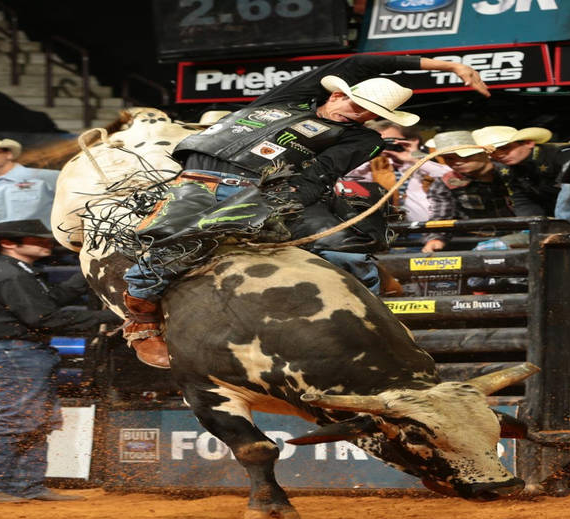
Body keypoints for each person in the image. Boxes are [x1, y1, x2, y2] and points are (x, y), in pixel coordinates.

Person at [120, 54, 490, 368]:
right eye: (357, 106)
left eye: (370, 114)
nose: (359, 116)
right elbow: (360, 62)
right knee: (165, 251)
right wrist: (445, 65)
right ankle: (142, 323)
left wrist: (280, 200)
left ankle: (372, 327)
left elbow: (320, 175)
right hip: (199, 180)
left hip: (268, 192)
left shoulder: (363, 138)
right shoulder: (292, 98)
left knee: (346, 249)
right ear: (335, 93)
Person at [0, 220, 121, 503]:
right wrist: (111, 316)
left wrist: (86, 273)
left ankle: (24, 484)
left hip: (9, 350)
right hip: (12, 350)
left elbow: (48, 303)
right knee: (21, 418)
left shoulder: (10, 271)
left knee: (36, 419)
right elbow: (44, 318)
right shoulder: (10, 274)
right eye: (36, 239)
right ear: (8, 243)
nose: (46, 243)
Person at [420, 130, 512, 253]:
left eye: (465, 156)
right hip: (473, 241)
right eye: (449, 158)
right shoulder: (445, 183)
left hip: (521, 234)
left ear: (485, 153)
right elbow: (441, 215)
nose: (457, 162)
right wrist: (436, 239)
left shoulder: (509, 173)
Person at [343, 119, 451, 225]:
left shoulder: (431, 158)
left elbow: (451, 177)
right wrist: (369, 154)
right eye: (379, 141)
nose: (384, 146)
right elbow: (348, 179)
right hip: (395, 229)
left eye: (390, 140)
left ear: (413, 140)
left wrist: (414, 159)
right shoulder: (375, 165)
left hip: (433, 226)